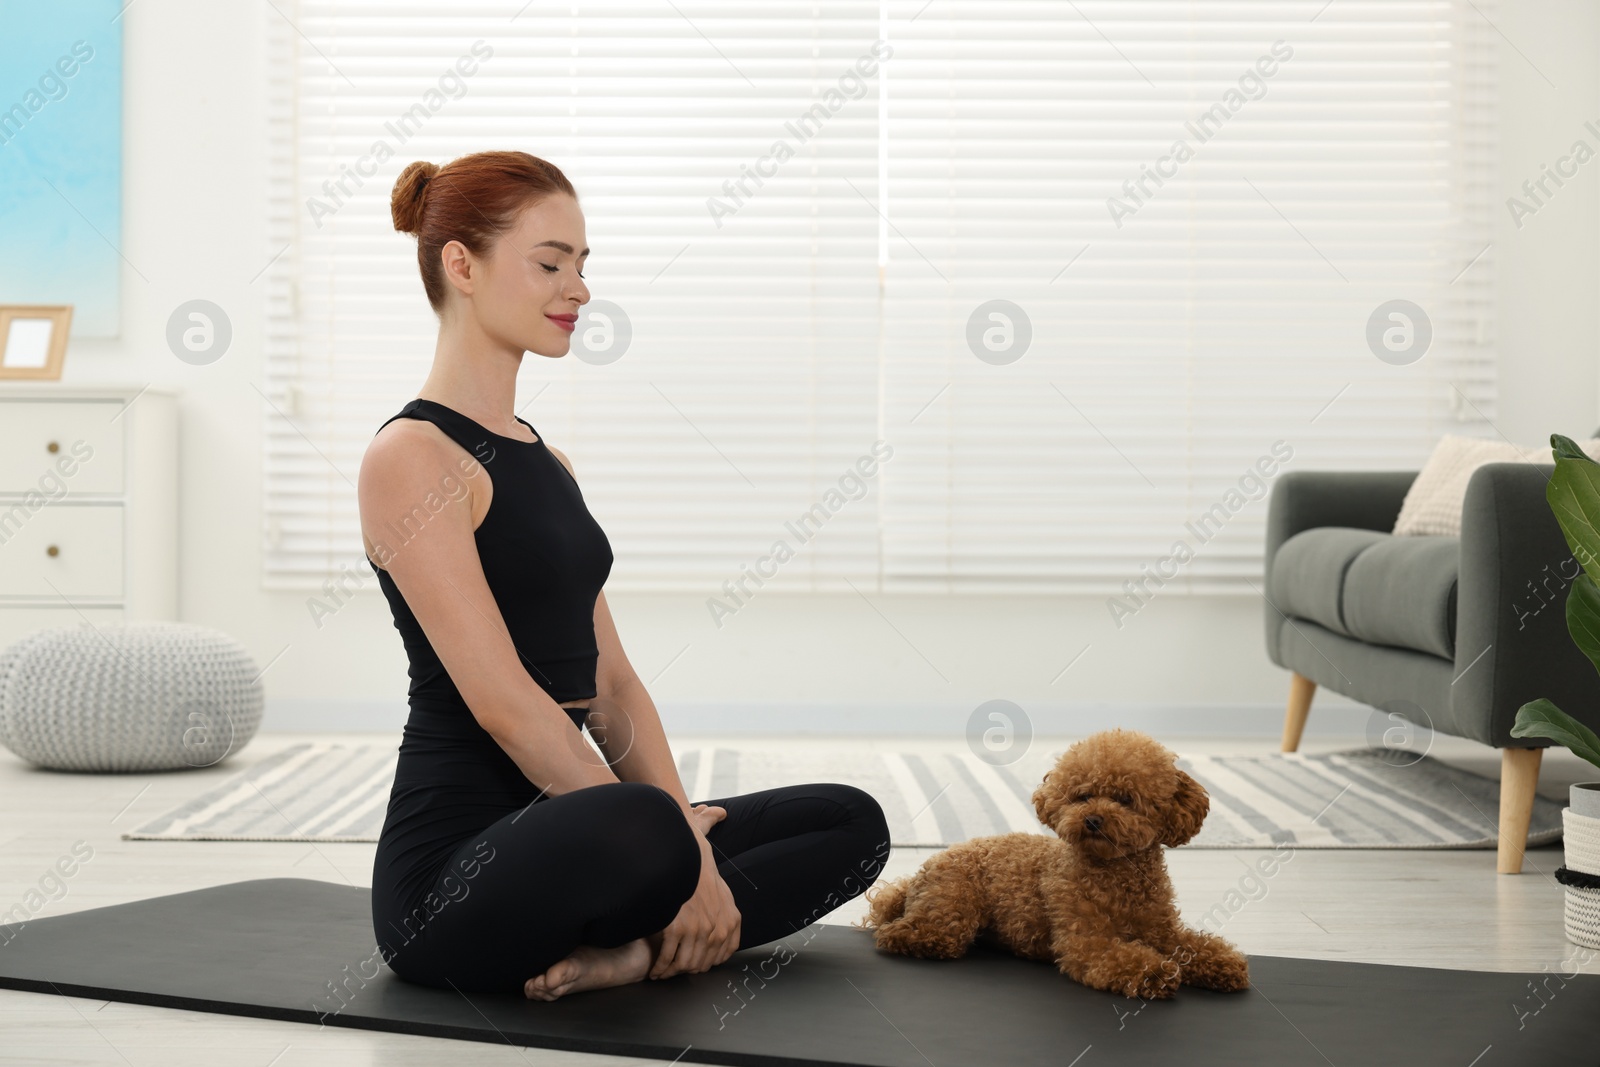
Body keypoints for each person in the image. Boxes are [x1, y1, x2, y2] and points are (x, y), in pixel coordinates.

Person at [359, 149, 890, 999]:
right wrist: (678, 847)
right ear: (460, 263)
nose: (578, 288)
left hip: (584, 823)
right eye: (549, 262)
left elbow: (609, 681)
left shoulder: (550, 462)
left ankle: (637, 953)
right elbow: (501, 701)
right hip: (452, 875)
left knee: (848, 820)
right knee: (645, 822)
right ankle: (665, 899)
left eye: (581, 263)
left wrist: (682, 822)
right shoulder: (412, 457)